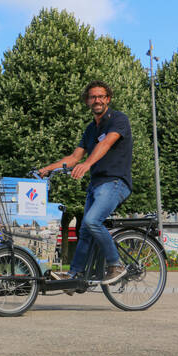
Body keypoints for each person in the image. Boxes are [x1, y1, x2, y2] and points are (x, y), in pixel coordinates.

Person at [39, 80, 132, 286]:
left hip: (115, 181)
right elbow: (73, 158)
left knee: (91, 221)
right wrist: (47, 169)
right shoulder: (90, 129)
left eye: (101, 96)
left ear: (108, 99)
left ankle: (116, 264)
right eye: (93, 97)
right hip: (97, 185)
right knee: (85, 231)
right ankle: (75, 276)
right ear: (87, 101)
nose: (97, 100)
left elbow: (107, 143)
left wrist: (88, 163)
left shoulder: (118, 119)